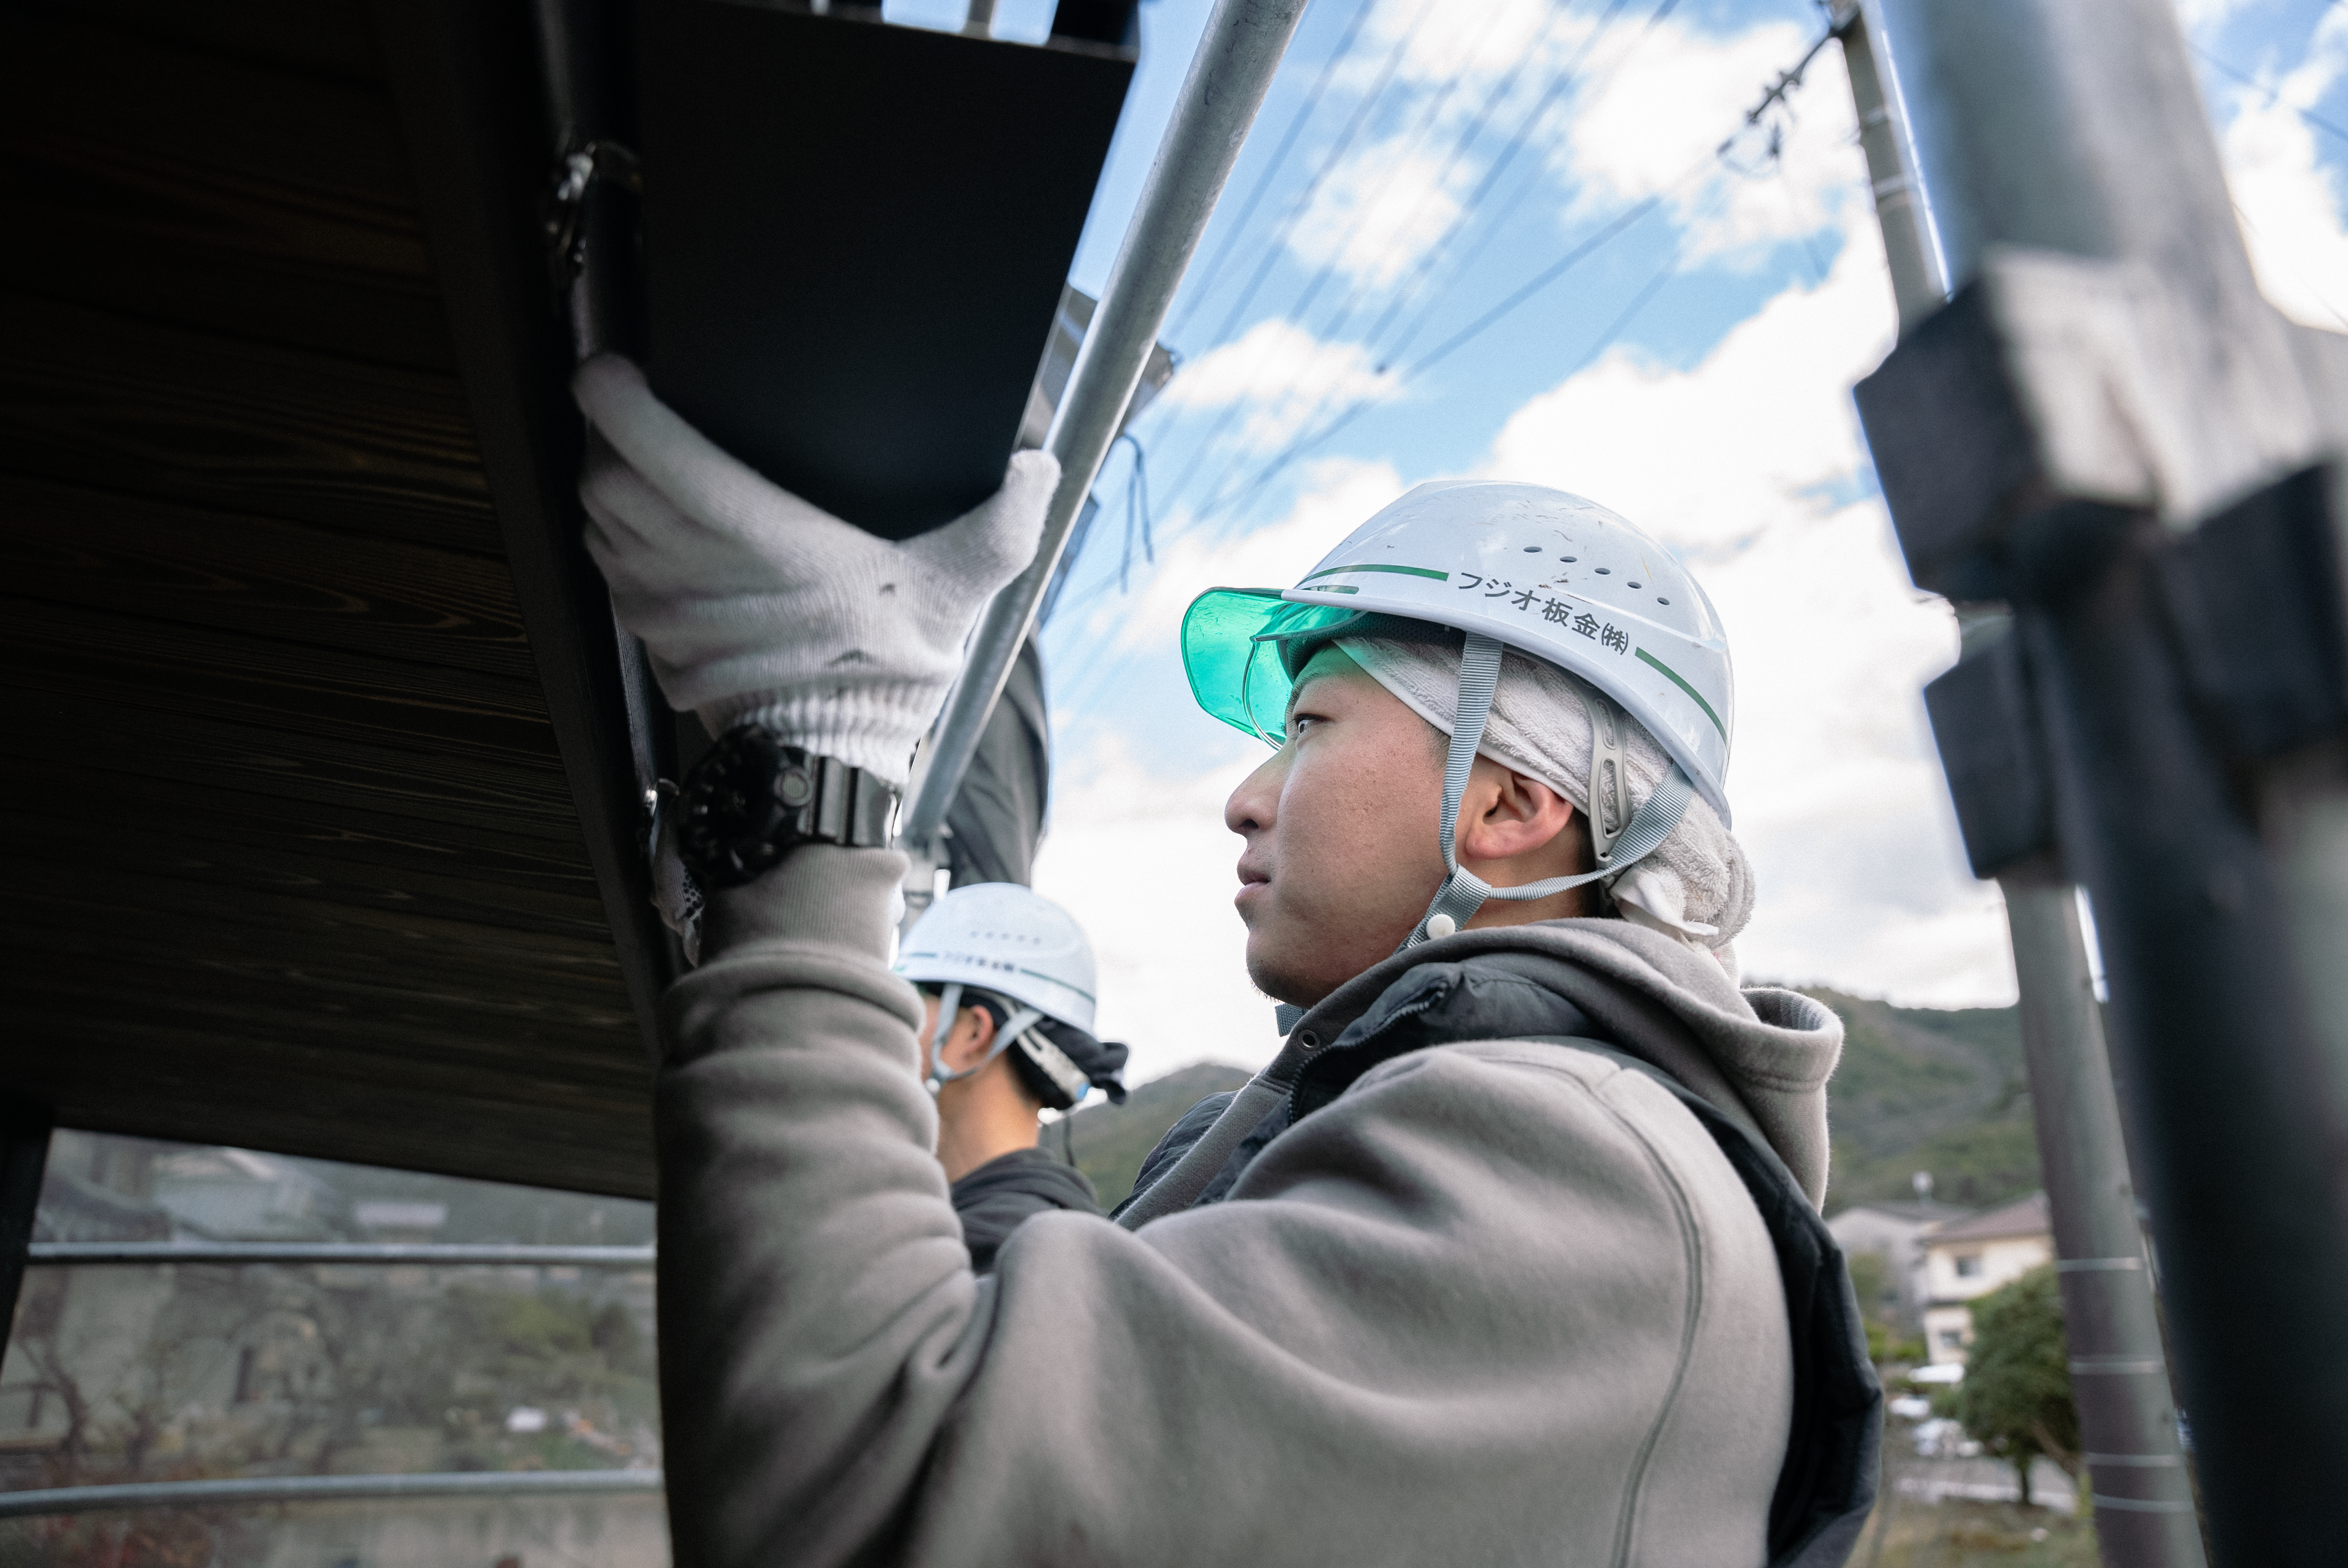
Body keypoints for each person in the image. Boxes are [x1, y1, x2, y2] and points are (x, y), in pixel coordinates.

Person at [573, 354, 1880, 1568]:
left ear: (1507, 804)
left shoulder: (1573, 1162)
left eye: (1307, 723)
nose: (1247, 798)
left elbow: (850, 1492)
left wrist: (814, 773)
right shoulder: (1468, 1133)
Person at [897, 881, 1130, 1272]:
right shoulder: (1052, 1237)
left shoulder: (991, 1257)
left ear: (973, 1032)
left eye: (912, 997)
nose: (890, 1022)